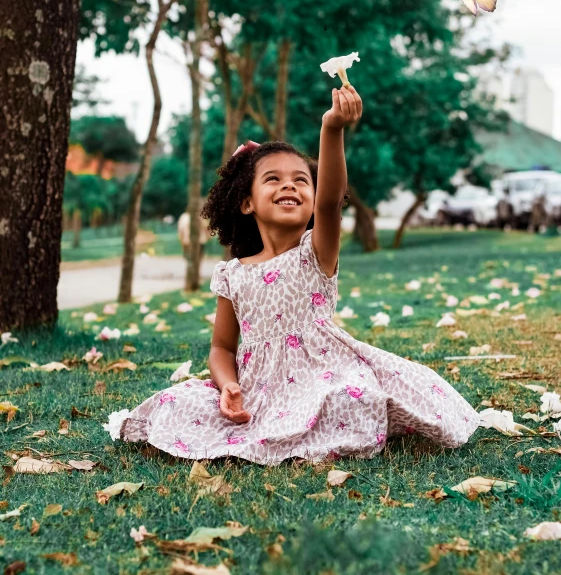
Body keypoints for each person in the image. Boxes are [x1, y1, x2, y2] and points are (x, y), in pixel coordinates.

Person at [103, 85, 479, 464]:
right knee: (176, 401)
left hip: (323, 380)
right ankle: (276, 433)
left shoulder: (316, 252)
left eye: (302, 180)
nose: (290, 185)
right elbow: (221, 349)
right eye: (273, 179)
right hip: (257, 392)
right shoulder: (233, 275)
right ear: (246, 202)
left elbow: (332, 201)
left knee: (353, 398)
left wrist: (332, 128)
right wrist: (228, 385)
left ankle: (309, 435)